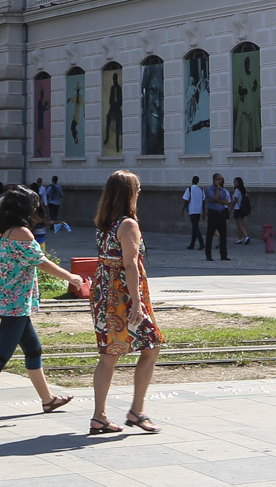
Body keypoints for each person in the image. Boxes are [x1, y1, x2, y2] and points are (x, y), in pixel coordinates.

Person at [0, 185, 85, 421]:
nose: (36, 210)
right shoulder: (23, 233)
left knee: (33, 349)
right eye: (33, 207)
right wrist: (71, 277)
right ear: (23, 209)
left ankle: (48, 400)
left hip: (10, 301)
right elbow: (41, 263)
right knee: (1, 355)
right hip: (16, 304)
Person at [89, 170, 164, 435]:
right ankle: (136, 411)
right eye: (138, 188)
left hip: (103, 293)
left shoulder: (104, 223)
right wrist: (136, 303)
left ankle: (100, 416)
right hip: (123, 296)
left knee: (108, 355)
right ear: (129, 193)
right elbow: (130, 265)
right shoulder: (128, 224)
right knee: (151, 347)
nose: (140, 192)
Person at [203, 174, 232, 262]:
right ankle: (208, 255)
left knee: (223, 234)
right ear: (214, 180)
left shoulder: (223, 190)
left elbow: (226, 201)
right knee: (210, 234)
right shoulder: (208, 190)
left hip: (221, 213)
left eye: (221, 180)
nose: (220, 181)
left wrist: (217, 201)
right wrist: (217, 189)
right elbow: (214, 197)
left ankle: (223, 254)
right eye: (218, 179)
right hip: (213, 213)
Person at [182, 175, 205, 249]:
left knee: (195, 227)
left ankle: (201, 242)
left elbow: (186, 200)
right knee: (194, 227)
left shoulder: (189, 189)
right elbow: (203, 201)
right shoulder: (201, 189)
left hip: (192, 210)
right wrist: (204, 211)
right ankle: (192, 244)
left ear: (192, 181)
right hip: (198, 210)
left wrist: (183, 209)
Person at [231, 177, 253, 244]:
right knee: (239, 224)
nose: (234, 183)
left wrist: (231, 207)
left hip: (238, 208)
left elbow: (235, 200)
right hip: (243, 209)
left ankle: (246, 237)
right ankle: (239, 238)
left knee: (240, 224)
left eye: (235, 182)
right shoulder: (243, 190)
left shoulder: (237, 190)